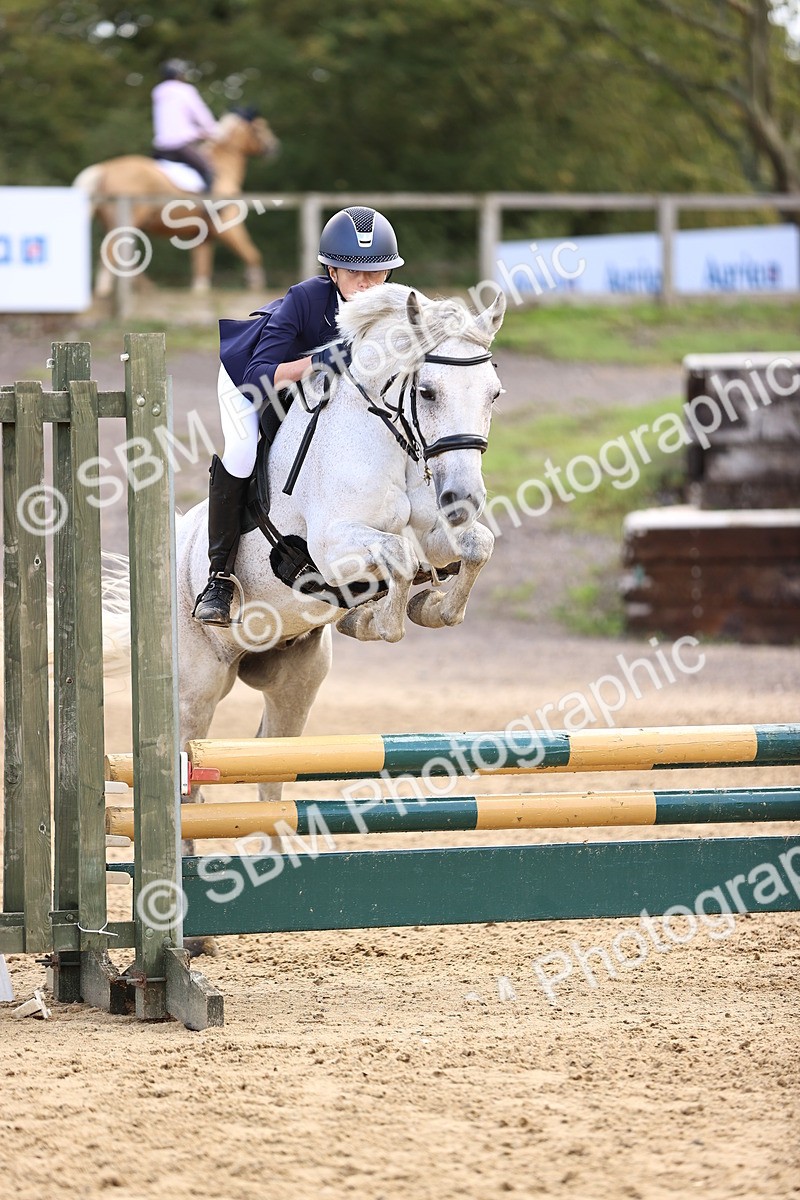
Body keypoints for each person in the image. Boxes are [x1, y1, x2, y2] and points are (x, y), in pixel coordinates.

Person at [192, 205, 405, 626]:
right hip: (248, 379)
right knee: (242, 453)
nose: (366, 283)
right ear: (331, 272)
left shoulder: (389, 307)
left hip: (308, 390)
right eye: (353, 271)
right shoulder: (304, 300)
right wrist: (319, 362)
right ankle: (218, 579)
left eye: (376, 272)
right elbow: (258, 377)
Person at [151, 59, 219, 191]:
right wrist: (211, 130)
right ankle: (209, 208)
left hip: (160, 147)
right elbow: (200, 114)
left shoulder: (158, 92)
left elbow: (172, 121)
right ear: (179, 74)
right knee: (209, 172)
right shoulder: (185, 90)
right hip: (181, 146)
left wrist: (197, 132)